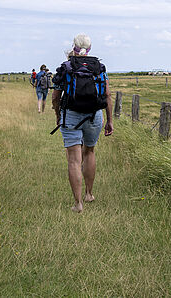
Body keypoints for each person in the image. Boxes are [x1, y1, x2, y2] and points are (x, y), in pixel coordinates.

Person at [51, 34, 113, 213]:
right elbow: (107, 95)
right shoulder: (99, 67)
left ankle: (78, 204)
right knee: (90, 151)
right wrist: (109, 120)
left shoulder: (65, 67)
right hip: (94, 115)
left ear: (74, 47)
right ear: (90, 48)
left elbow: (56, 96)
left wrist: (58, 114)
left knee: (73, 160)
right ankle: (89, 194)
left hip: (70, 115)